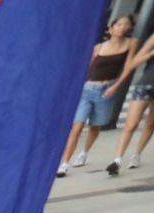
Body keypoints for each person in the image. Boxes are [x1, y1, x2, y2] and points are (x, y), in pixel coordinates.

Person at [61, 16, 140, 176]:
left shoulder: (131, 43)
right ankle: (64, 164)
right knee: (77, 127)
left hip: (107, 89)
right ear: (111, 29)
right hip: (88, 88)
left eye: (126, 24)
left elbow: (129, 66)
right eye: (119, 24)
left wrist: (116, 86)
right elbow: (88, 67)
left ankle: (84, 152)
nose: (122, 27)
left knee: (95, 126)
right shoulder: (98, 47)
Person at [103, 32, 154, 175]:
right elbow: (134, 63)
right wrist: (151, 53)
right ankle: (117, 160)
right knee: (131, 124)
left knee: (150, 124)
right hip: (146, 84)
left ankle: (136, 154)